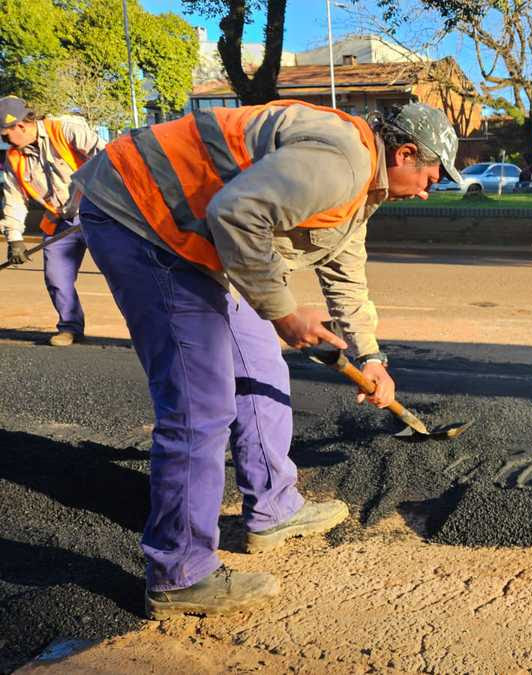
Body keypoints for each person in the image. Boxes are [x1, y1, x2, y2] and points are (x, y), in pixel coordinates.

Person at [71, 99, 462, 619]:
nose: (434, 185)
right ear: (406, 153)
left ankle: (274, 506)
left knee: (261, 367)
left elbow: (345, 273)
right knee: (200, 404)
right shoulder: (340, 162)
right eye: (434, 172)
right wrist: (282, 312)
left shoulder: (364, 187)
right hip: (144, 218)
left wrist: (370, 356)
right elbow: (237, 212)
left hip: (207, 238)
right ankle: (179, 573)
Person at [1, 96, 105, 346]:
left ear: (20, 126)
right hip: (59, 221)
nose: (4, 141)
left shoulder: (66, 130)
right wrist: (14, 238)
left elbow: (111, 159)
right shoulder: (15, 158)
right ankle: (70, 327)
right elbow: (13, 199)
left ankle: (143, 328)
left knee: (122, 273)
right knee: (56, 277)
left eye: (4, 135)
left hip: (97, 213)